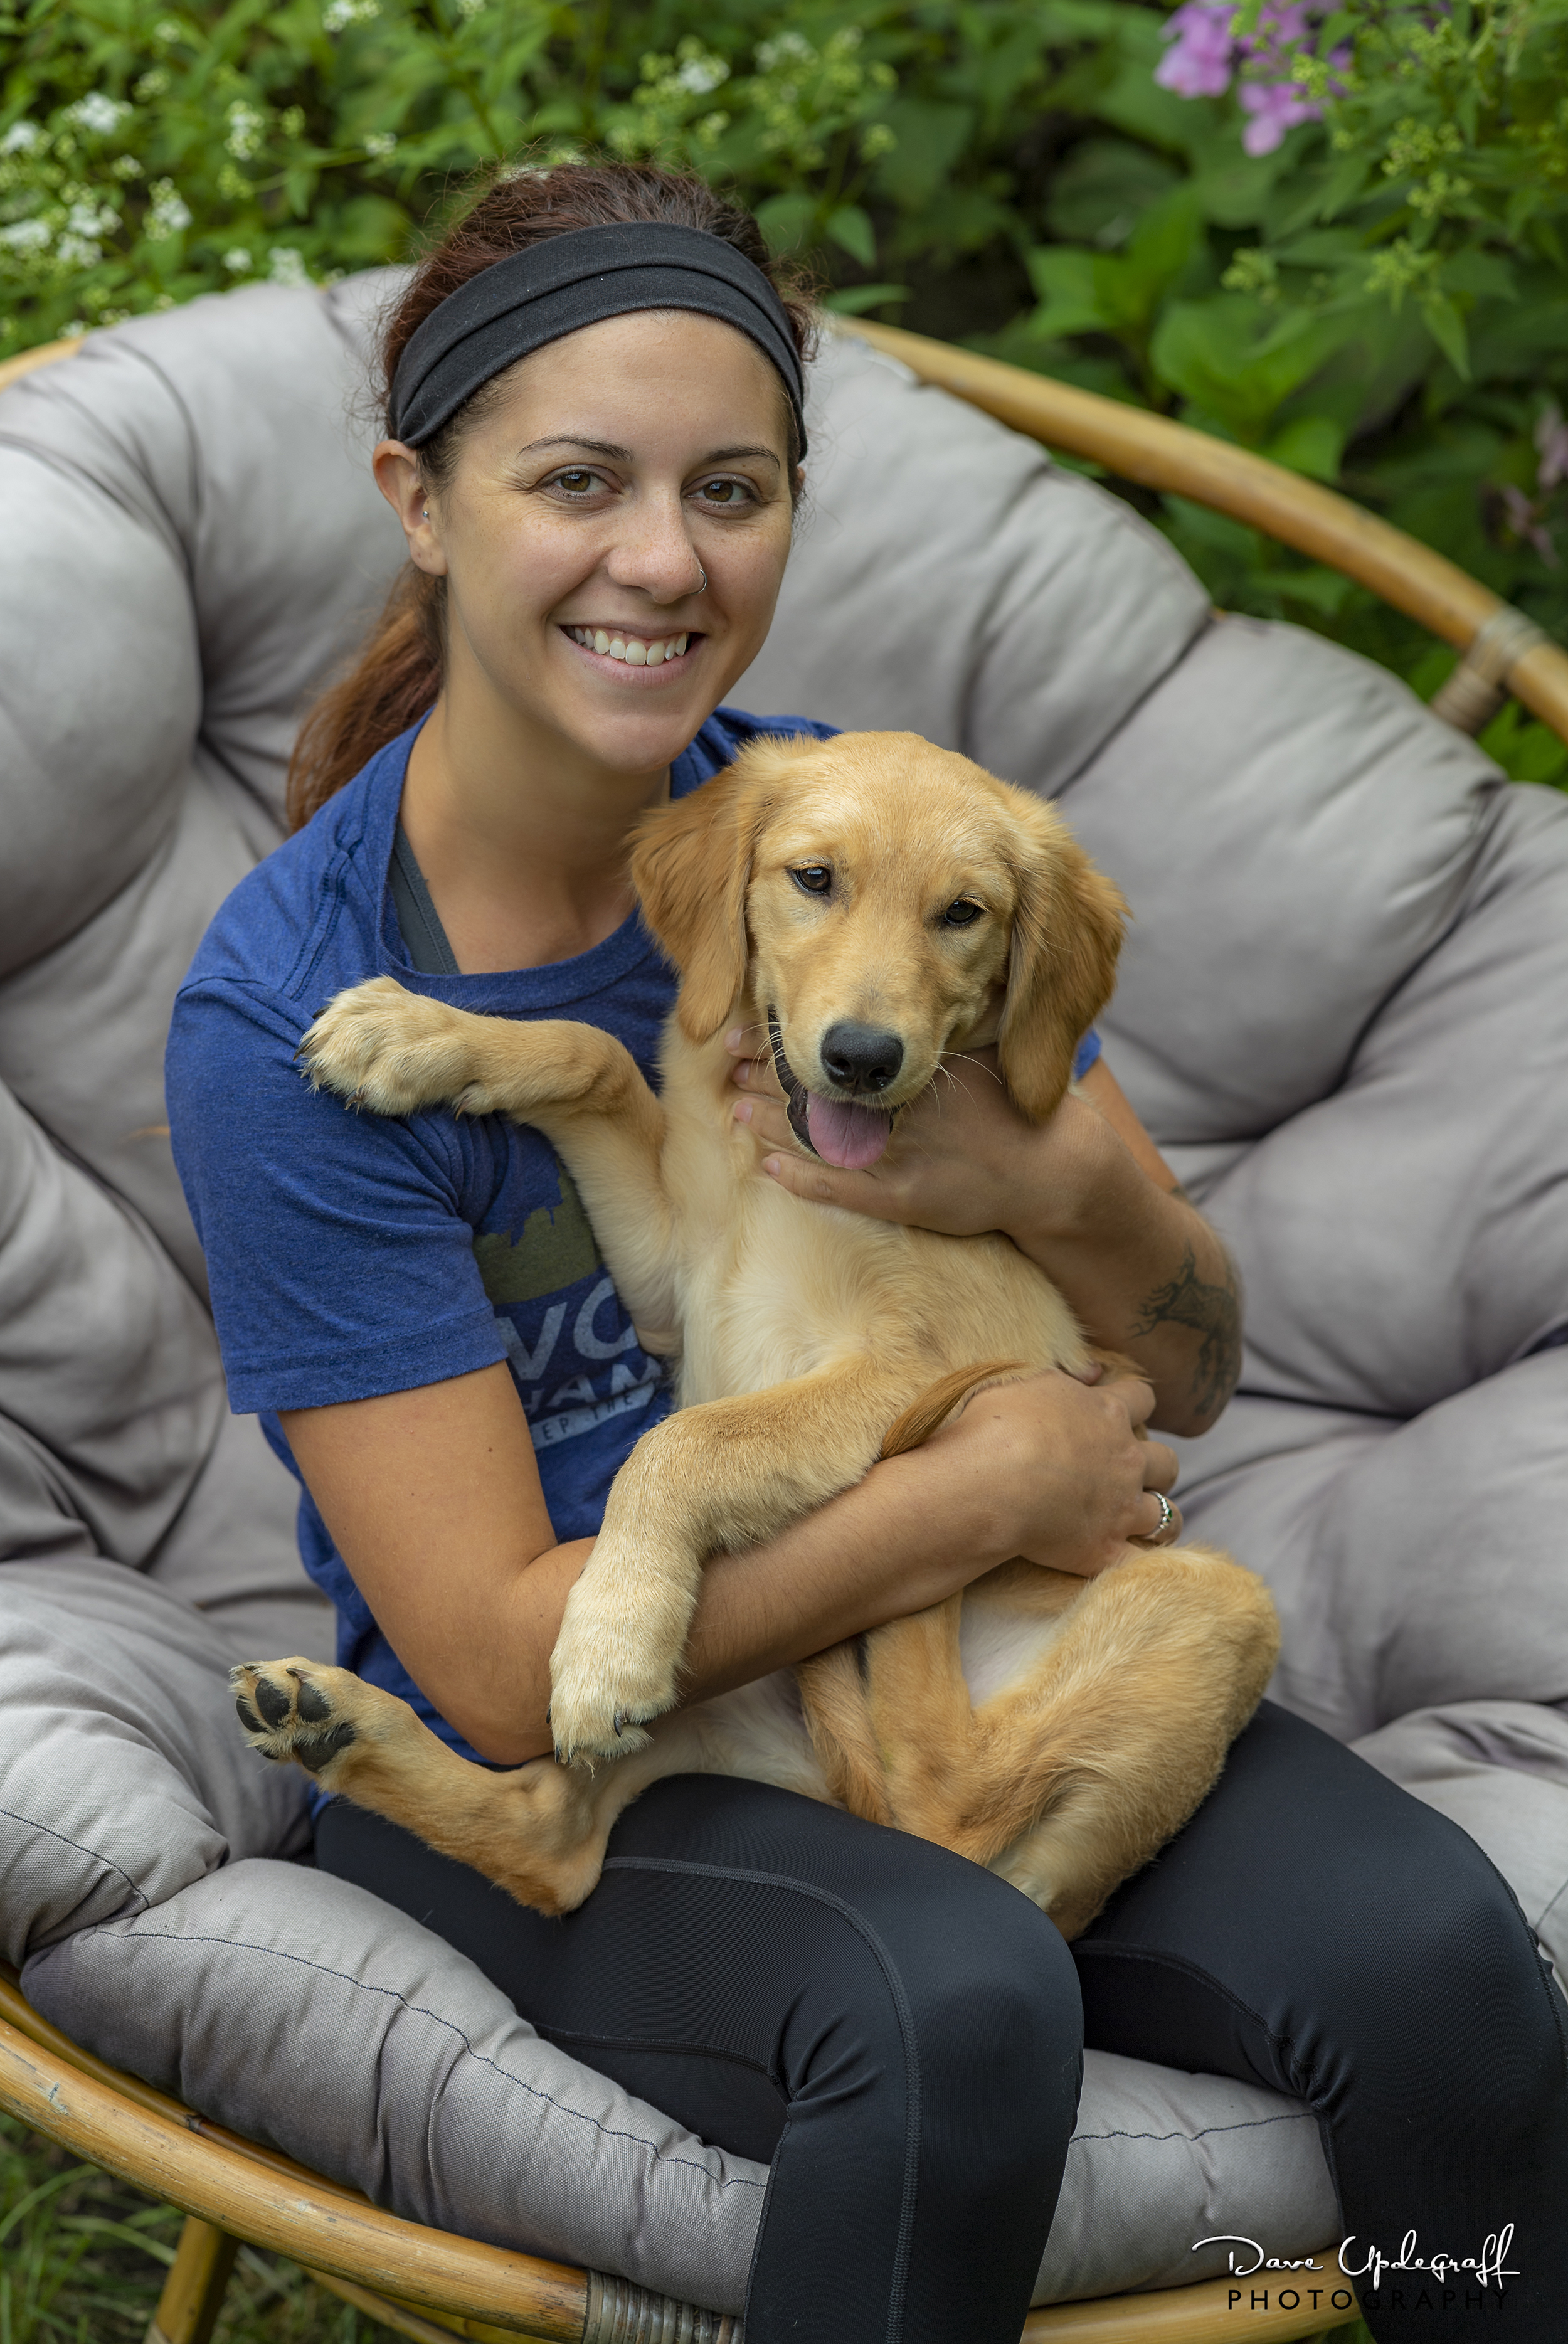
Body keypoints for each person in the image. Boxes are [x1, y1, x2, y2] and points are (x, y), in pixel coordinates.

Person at [166, 161, 1568, 2344]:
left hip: (977, 1670)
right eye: (577, 481)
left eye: (728, 489)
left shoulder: (879, 849)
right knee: (952, 2001)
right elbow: (509, 1673)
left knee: (1438, 1957)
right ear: (418, 504)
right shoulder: (294, 1014)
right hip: (601, 1756)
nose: (662, 556)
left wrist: (1061, 1191)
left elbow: (1188, 1371)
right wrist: (979, 1497)